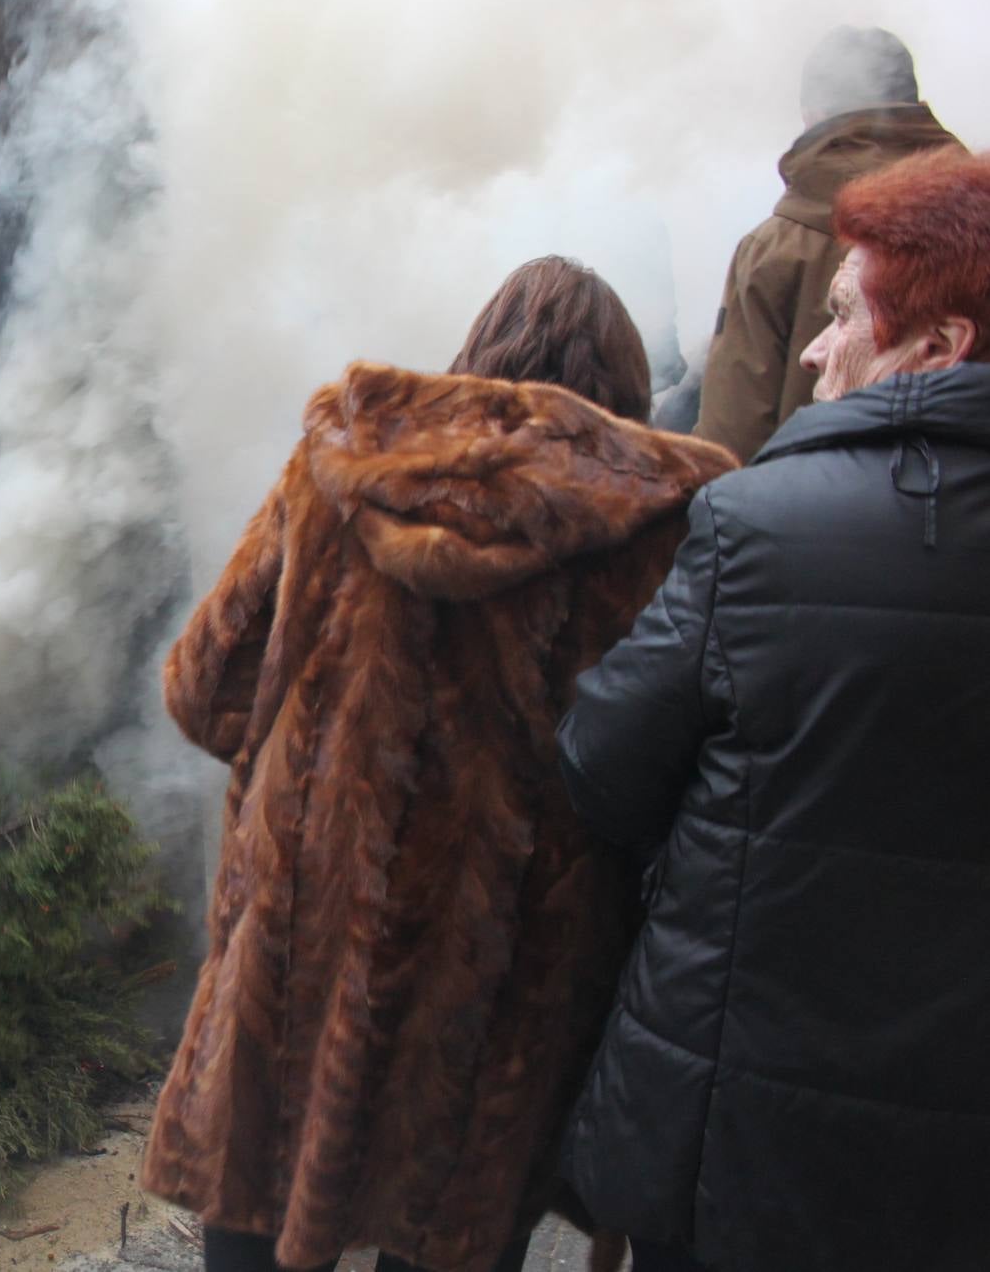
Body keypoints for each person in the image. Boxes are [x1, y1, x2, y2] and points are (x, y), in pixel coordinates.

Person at [140, 258, 734, 1272]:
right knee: (457, 1219)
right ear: (626, 389)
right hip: (511, 963)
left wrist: (322, 750)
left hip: (308, 927)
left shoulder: (340, 465)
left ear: (478, 348)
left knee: (264, 1188)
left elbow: (205, 689)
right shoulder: (668, 523)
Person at [558, 150, 990, 1272]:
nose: (814, 345)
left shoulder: (759, 526)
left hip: (745, 1126)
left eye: (845, 315)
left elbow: (603, 761)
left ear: (938, 349)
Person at [693, 25, 960, 460]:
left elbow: (730, 440)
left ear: (812, 117)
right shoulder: (976, 226)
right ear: (915, 106)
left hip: (805, 518)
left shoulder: (773, 249)